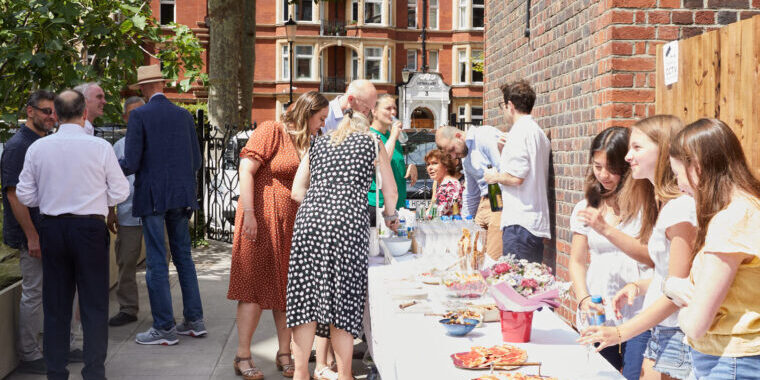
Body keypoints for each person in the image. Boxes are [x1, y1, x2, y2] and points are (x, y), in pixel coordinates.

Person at [16, 89, 129, 380]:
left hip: (52, 227)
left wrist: (53, 196)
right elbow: (121, 191)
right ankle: (94, 372)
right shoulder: (100, 148)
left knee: (56, 305)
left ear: (56, 113)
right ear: (84, 114)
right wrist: (95, 199)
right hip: (89, 228)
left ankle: (56, 372)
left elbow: (25, 194)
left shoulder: (38, 148)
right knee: (94, 304)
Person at [579, 115, 696, 380]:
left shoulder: (680, 207)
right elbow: (667, 277)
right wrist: (639, 286)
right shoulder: (663, 203)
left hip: (673, 332)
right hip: (659, 328)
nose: (629, 156)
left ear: (664, 148)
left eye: (637, 148)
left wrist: (621, 332)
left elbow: (679, 291)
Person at [287, 110, 398, 380]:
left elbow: (296, 191)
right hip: (348, 224)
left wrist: (321, 207)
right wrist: (390, 215)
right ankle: (345, 374)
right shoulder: (373, 142)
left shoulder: (318, 143)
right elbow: (391, 191)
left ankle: (301, 373)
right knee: (344, 301)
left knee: (304, 300)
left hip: (309, 222)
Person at [227, 91, 329, 379]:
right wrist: (248, 213)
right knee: (253, 289)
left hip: (294, 225)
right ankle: (243, 354)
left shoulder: (312, 141)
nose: (321, 125)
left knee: (289, 290)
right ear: (308, 112)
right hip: (261, 218)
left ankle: (286, 353)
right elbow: (246, 170)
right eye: (319, 119)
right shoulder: (272, 130)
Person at [663, 119, 760, 379]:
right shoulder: (750, 208)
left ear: (697, 165)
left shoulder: (731, 220)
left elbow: (696, 324)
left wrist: (678, 298)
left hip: (730, 361)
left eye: (677, 172)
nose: (678, 183)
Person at [121, 64, 205, 345]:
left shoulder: (140, 115)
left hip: (153, 198)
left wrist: (104, 166)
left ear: (144, 89)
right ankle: (194, 320)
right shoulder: (183, 115)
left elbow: (130, 162)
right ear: (162, 85)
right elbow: (196, 160)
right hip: (182, 196)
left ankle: (164, 328)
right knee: (183, 258)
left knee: (157, 261)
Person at [568, 127, 652, 379]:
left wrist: (605, 229)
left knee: (633, 375)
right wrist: (583, 299)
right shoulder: (586, 207)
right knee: (599, 374)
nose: (604, 175)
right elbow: (577, 261)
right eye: (597, 166)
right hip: (598, 312)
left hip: (639, 313)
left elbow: (651, 257)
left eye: (611, 168)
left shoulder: (646, 205)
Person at [316, 78, 377, 377]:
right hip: (336, 221)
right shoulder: (323, 120)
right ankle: (327, 366)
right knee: (331, 297)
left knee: (329, 297)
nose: (373, 111)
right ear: (352, 101)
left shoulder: (356, 129)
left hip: (325, 218)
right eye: (370, 106)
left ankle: (327, 367)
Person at [2, 90, 56, 374]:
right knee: (33, 293)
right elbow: (14, 197)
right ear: (30, 111)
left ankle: (49, 347)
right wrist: (32, 236)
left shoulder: (42, 143)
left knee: (47, 292)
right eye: (45, 111)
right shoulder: (18, 145)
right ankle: (29, 354)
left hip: (48, 231)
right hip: (31, 234)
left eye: (53, 111)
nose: (50, 116)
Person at [483, 80, 551, 263]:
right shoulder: (537, 132)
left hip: (519, 223)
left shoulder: (518, 132)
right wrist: (502, 152)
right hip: (533, 221)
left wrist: (493, 177)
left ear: (510, 105)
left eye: (503, 106)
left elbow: (517, 178)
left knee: (518, 286)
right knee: (530, 284)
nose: (504, 111)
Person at [435, 123, 503, 259]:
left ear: (459, 136)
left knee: (492, 259)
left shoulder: (484, 136)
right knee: (473, 256)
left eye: (452, 150)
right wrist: (464, 225)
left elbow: (504, 168)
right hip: (482, 205)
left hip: (499, 202)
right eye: (450, 154)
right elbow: (471, 193)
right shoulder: (465, 157)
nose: (454, 156)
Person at [107, 96, 146, 327]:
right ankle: (128, 308)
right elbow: (108, 182)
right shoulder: (117, 147)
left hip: (155, 213)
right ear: (124, 118)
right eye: (133, 114)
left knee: (161, 263)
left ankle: (164, 310)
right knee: (126, 261)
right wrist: (110, 211)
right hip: (127, 212)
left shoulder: (157, 141)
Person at [367, 94, 417, 225]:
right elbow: (380, 162)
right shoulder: (369, 135)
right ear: (374, 111)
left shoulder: (390, 136)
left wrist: (408, 167)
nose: (393, 112)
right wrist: (394, 136)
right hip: (378, 204)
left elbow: (391, 163)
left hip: (396, 205)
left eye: (394, 108)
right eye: (388, 108)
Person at [424, 149, 463, 216]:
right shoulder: (447, 183)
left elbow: (435, 215)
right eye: (428, 164)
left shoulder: (448, 185)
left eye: (435, 163)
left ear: (446, 166)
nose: (430, 167)